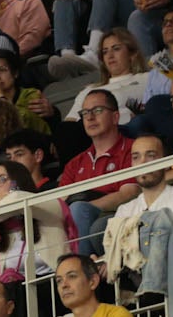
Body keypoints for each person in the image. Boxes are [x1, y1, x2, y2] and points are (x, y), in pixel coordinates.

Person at [58, 89, 138, 254]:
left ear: (115, 117)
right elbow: (60, 203)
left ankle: (83, 271)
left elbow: (129, 193)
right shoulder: (75, 163)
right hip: (79, 223)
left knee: (79, 210)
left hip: (122, 216)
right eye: (85, 112)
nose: (89, 117)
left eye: (97, 110)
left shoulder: (133, 149)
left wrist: (82, 209)